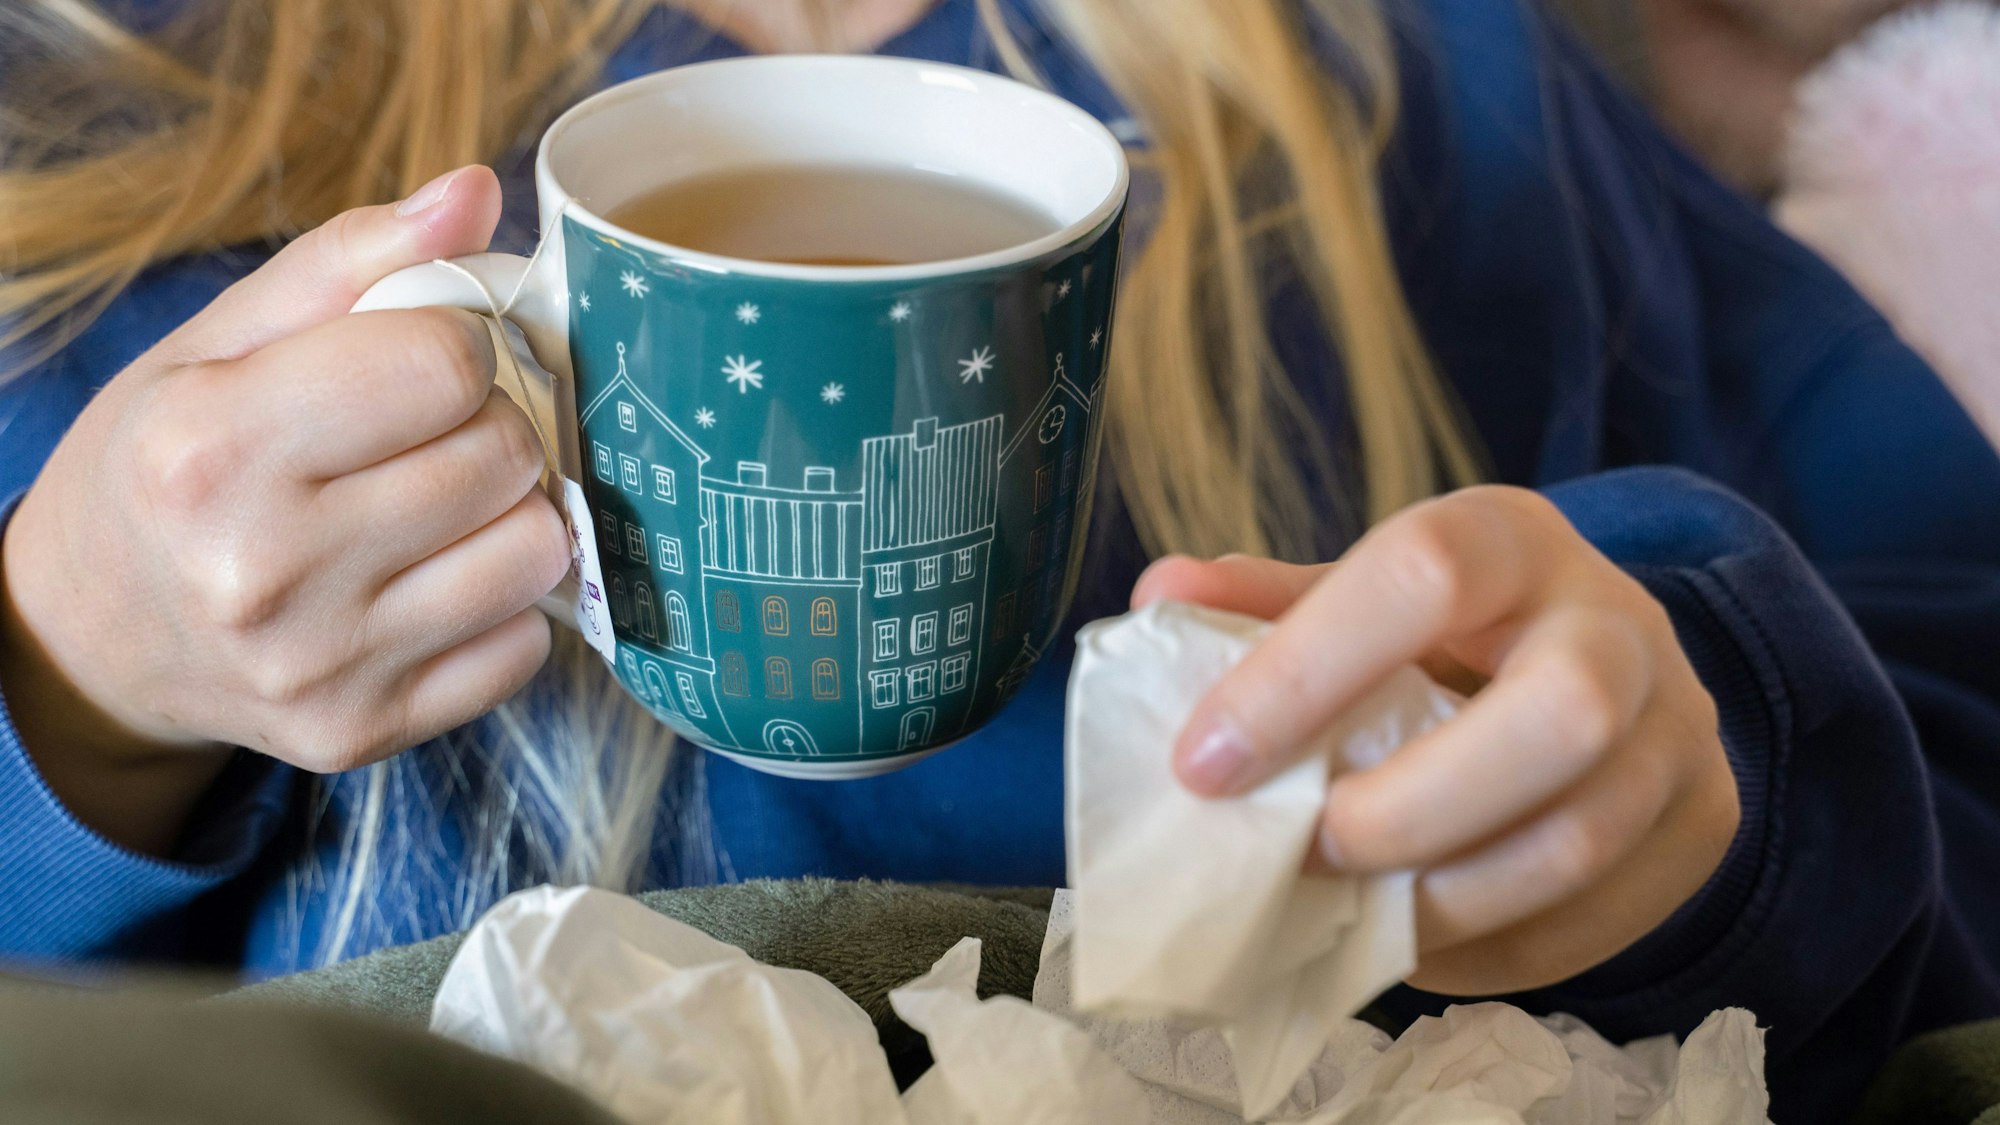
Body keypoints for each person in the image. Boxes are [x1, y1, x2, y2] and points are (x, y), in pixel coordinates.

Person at [0, 1, 1994, 1118]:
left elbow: (1955, 666)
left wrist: (1698, 779)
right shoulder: (119, 114)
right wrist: (70, 657)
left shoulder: (1436, 94)